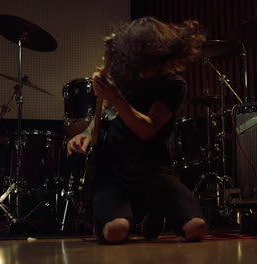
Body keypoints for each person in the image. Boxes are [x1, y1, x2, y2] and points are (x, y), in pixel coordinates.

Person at [66, 17, 207, 243]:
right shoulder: (121, 76)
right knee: (116, 232)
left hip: (154, 170)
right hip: (113, 173)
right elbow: (104, 113)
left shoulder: (173, 84)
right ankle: (111, 217)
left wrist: (115, 97)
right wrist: (86, 134)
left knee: (196, 229)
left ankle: (154, 209)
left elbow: (147, 130)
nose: (149, 65)